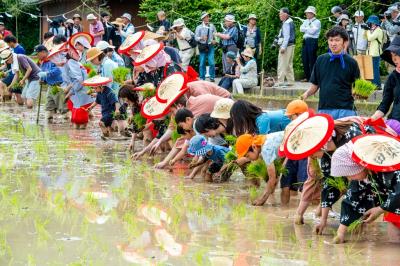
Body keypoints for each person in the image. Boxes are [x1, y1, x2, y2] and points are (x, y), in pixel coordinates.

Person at [330, 139, 400, 244]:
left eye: (350, 174)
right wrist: (340, 234)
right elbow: (352, 201)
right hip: (393, 205)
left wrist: (380, 209)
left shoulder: (389, 166)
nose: (349, 179)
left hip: (395, 202)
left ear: (357, 167)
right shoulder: (363, 174)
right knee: (394, 240)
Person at [302, 26, 360, 119]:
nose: (333, 43)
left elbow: (356, 86)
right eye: (331, 40)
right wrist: (306, 94)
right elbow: (315, 85)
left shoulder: (352, 62)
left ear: (345, 42)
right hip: (324, 108)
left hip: (346, 109)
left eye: (337, 40)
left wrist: (359, 93)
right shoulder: (321, 60)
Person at [371, 36, 400, 125]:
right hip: (395, 123)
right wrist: (371, 120)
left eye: (396, 55)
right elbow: (385, 104)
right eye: (392, 56)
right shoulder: (393, 77)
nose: (393, 59)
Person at [35, 45, 66, 122]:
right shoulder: (43, 62)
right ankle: (49, 129)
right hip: (50, 86)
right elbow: (43, 73)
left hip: (58, 86)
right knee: (49, 107)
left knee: (63, 109)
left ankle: (68, 128)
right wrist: (43, 80)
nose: (36, 56)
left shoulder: (53, 59)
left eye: (37, 54)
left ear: (43, 52)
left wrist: (46, 73)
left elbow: (58, 70)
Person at [300, 6, 321, 82]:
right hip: (305, 41)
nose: (307, 15)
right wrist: (308, 29)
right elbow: (301, 29)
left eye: (308, 13)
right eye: (306, 13)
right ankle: (307, 77)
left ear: (312, 14)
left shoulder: (317, 22)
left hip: (312, 41)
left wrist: (306, 29)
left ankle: (313, 78)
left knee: (312, 59)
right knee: (305, 59)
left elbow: (313, 32)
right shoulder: (306, 21)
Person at [195, 12, 216, 82]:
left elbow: (216, 35)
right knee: (202, 63)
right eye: (206, 17)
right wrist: (201, 38)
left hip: (210, 46)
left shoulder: (212, 26)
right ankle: (202, 78)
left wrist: (215, 40)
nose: (208, 18)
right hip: (202, 46)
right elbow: (195, 38)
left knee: (212, 62)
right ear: (203, 19)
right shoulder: (199, 27)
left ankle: (212, 77)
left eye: (208, 16)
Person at [277, 8, 295, 86]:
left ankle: (280, 81)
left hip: (287, 46)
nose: (279, 15)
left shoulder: (287, 23)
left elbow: (286, 36)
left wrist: (283, 47)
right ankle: (291, 81)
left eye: (281, 14)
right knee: (288, 64)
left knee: (282, 63)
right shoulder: (290, 21)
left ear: (285, 14)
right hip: (291, 45)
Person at [365, 15, 384, 89]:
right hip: (370, 53)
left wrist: (367, 30)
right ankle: (373, 84)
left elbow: (370, 38)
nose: (370, 24)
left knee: (375, 69)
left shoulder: (378, 30)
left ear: (375, 23)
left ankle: (377, 85)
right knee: (371, 69)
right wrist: (369, 30)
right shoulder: (373, 30)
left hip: (375, 53)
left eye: (371, 23)